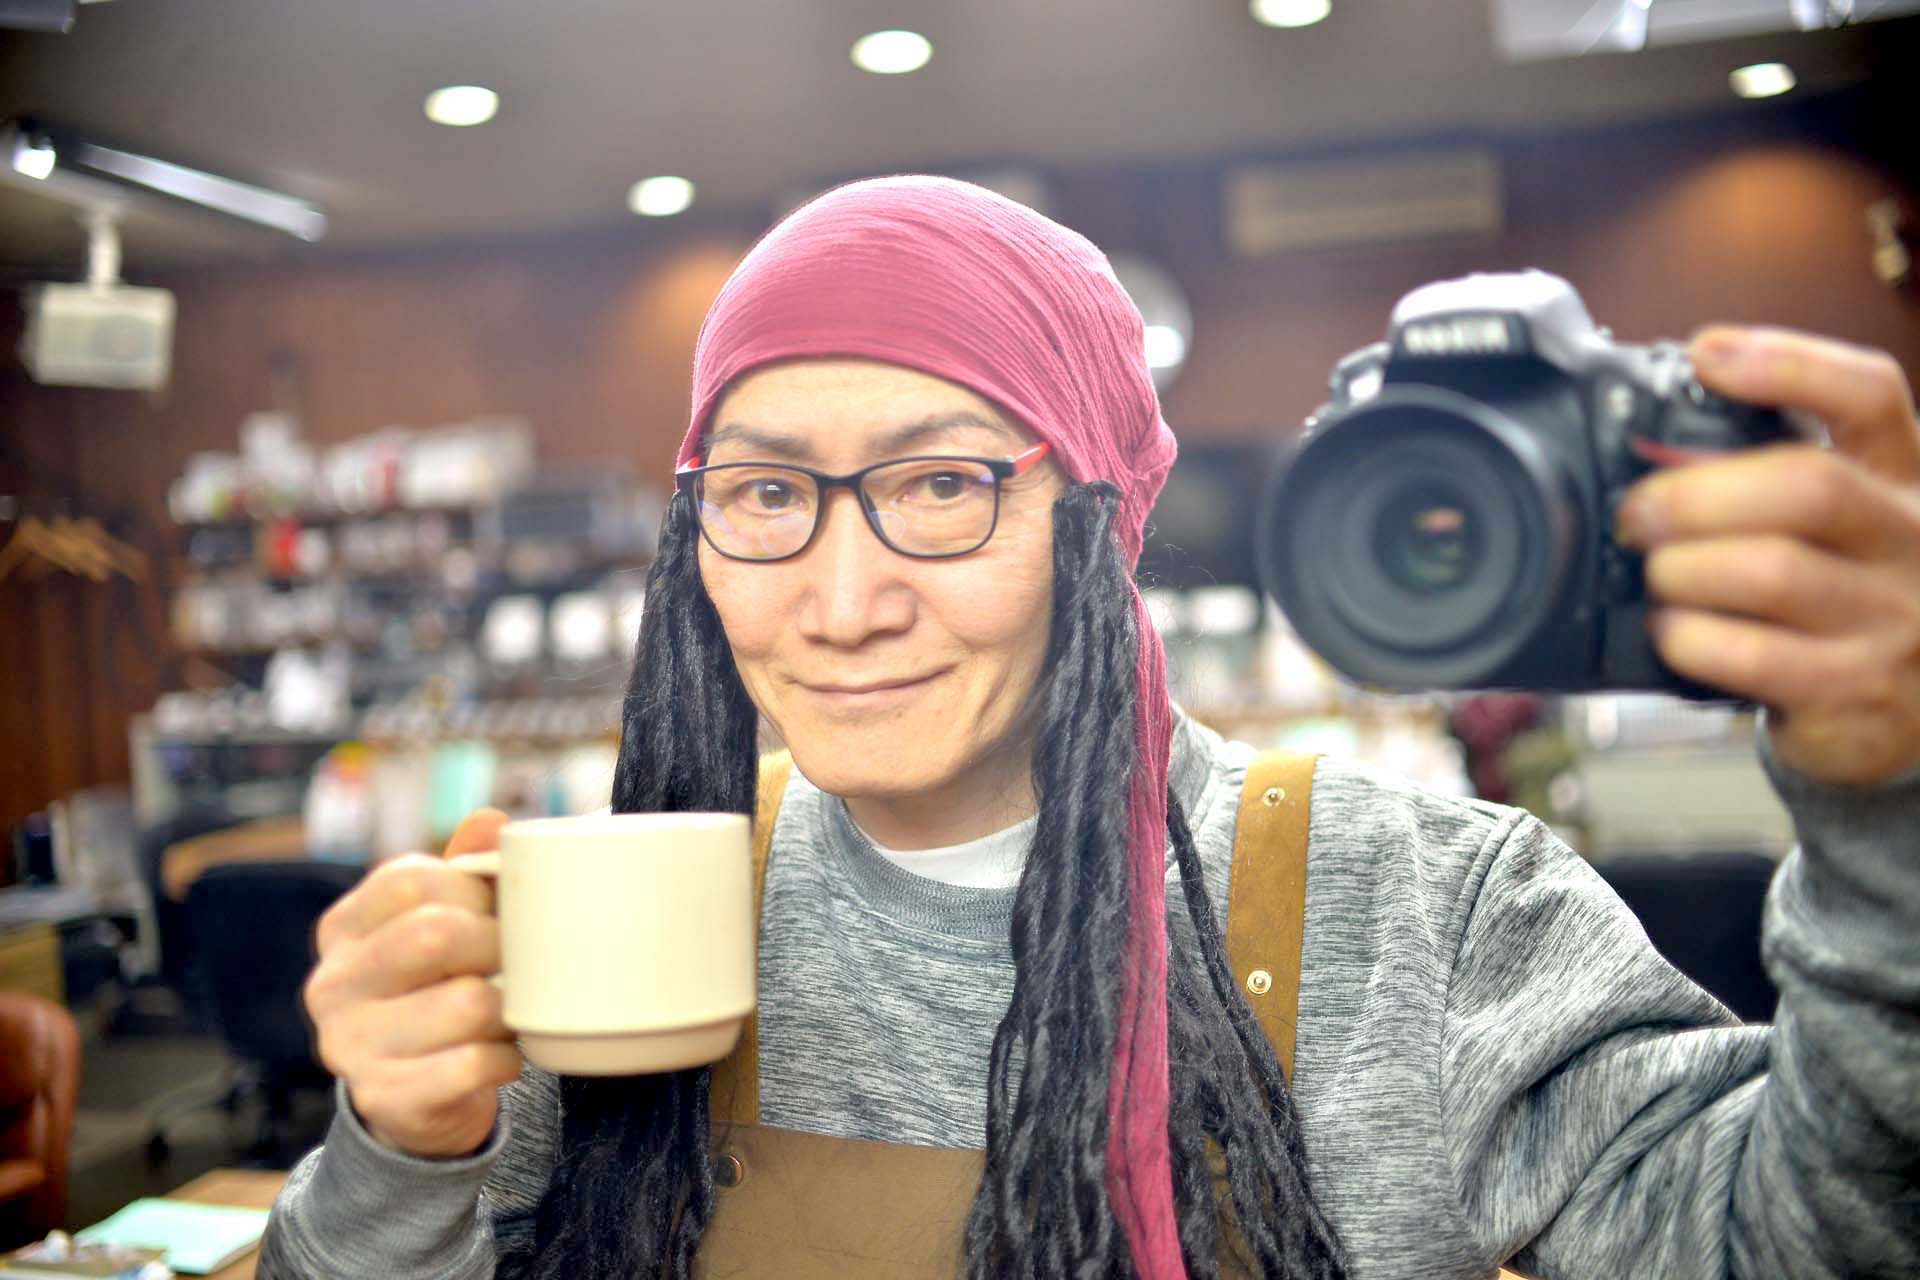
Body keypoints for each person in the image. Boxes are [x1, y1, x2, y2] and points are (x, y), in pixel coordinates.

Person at [257, 176, 1920, 1280]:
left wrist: (1890, 812)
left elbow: (1820, 1242)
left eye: (941, 487)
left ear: (1104, 526)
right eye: (765, 496)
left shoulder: (1420, 910)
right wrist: (401, 1148)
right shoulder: (626, 928)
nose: (841, 601)